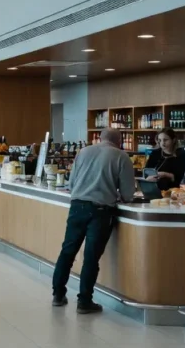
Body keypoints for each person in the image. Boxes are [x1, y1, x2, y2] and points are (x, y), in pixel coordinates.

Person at [52, 128, 135, 314]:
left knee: (68, 251)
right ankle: (84, 301)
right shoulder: (121, 156)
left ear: (100, 138)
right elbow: (128, 193)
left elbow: (72, 183)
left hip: (77, 207)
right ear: (119, 140)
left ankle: (58, 294)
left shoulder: (83, 152)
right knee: (91, 257)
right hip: (100, 211)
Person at [145, 128, 185, 192]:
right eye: (160, 140)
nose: (162, 143)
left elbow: (177, 178)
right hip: (153, 189)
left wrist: (163, 174)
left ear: (173, 140)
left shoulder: (181, 154)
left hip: (173, 191)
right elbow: (147, 172)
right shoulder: (155, 153)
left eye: (165, 140)